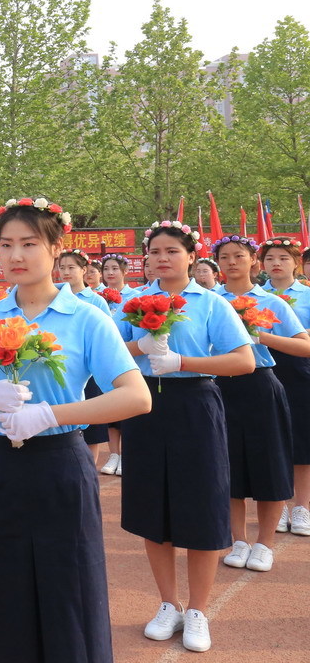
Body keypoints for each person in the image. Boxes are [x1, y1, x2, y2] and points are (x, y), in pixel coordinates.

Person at [0, 196, 150, 663]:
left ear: (55, 249)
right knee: (1, 583)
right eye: (6, 245)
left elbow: (136, 395)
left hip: (59, 465)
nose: (15, 256)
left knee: (68, 583)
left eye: (29, 243)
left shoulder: (86, 317)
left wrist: (52, 415)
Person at [118, 220, 254, 653]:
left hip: (195, 405)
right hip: (143, 406)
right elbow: (106, 352)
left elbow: (244, 361)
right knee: (152, 508)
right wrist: (143, 346)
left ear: (192, 257)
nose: (163, 258)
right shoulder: (127, 302)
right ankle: (167, 603)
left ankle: (197, 610)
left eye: (173, 251)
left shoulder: (211, 303)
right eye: (155, 250)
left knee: (200, 506)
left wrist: (182, 361)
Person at [213, 235, 309, 571]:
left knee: (270, 462)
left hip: (261, 386)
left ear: (254, 261)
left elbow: (305, 346)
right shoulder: (210, 301)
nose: (231, 262)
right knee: (228, 465)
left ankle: (265, 542)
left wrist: (261, 336)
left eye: (239, 255)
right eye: (224, 257)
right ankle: (238, 540)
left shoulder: (271, 301)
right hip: (219, 387)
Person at [260, 238, 310, 535]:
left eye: (282, 258)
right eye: (269, 258)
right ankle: (275, 505)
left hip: (299, 370)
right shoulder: (253, 296)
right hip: (262, 367)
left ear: (296, 263)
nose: (275, 263)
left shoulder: (306, 295)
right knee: (269, 440)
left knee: (302, 441)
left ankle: (301, 506)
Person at [57, 249, 114, 468]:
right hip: (63, 368)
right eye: (62, 268)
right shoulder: (55, 297)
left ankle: (88, 471)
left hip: (89, 369)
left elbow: (106, 337)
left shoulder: (96, 301)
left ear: (83, 270)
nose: (66, 272)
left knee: (91, 428)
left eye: (71, 268)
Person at [99, 253, 133, 476]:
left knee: (127, 409)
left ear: (124, 271)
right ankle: (114, 454)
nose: (110, 273)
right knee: (109, 410)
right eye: (107, 269)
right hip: (104, 358)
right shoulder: (97, 297)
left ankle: (127, 455)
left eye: (114, 269)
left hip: (128, 358)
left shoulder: (135, 297)